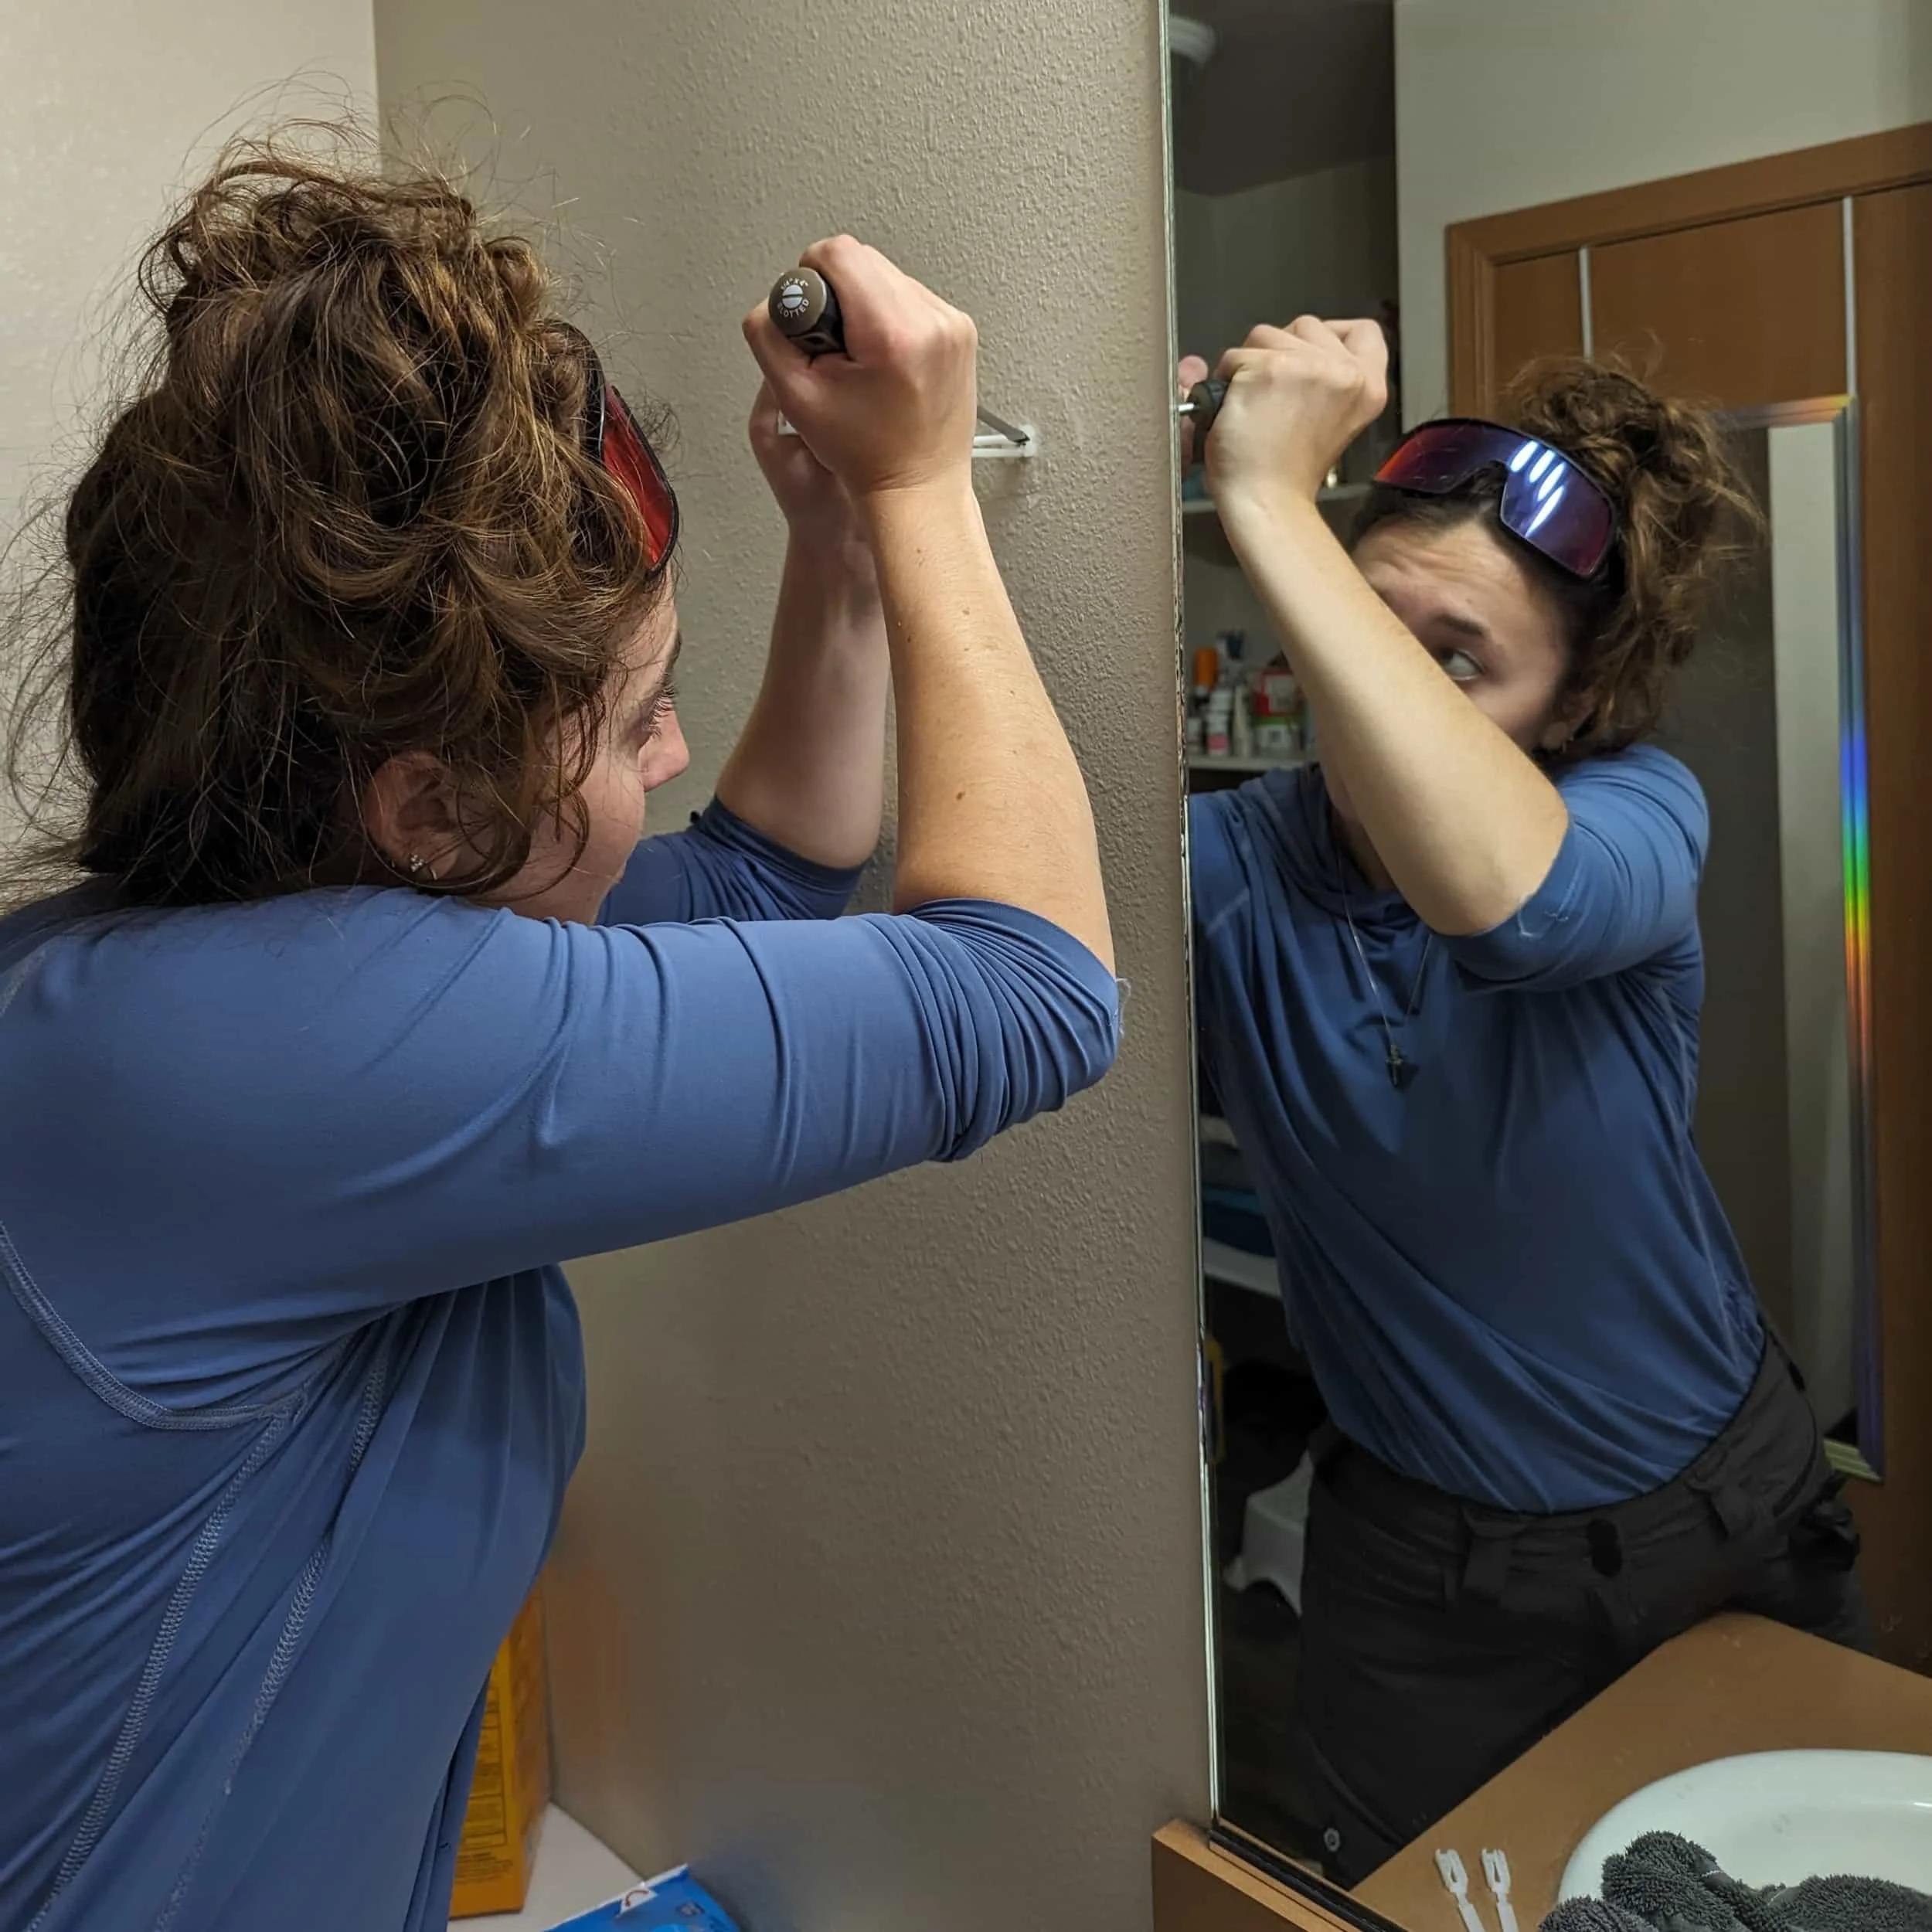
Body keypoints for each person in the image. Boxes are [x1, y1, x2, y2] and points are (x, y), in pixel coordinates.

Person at [0, 142, 1117, 1932]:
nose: (668, 763)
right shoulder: (247, 1058)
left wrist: (832, 555)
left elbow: (752, 890)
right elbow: (1031, 984)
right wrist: (923, 496)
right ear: (429, 807)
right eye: (638, 721)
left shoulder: (208, 977)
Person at [1182, 325, 1866, 1882]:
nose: (1376, 687)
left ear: (1565, 711)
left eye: (1458, 658)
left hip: (1727, 1521)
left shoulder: (1626, 813)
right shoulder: (1227, 872)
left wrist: (1270, 503)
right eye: (1361, 620)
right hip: (1428, 1584)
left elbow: (1506, 902)